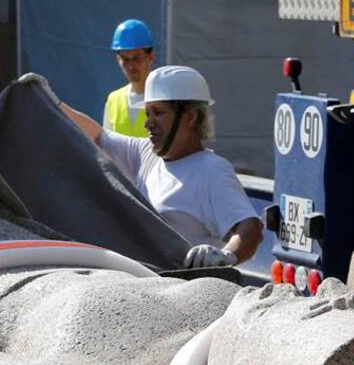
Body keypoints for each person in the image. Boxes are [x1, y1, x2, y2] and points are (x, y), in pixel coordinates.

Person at [24, 66, 262, 269]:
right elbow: (96, 136)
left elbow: (249, 227)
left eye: (158, 113)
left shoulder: (212, 171)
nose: (148, 122)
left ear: (189, 118)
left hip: (183, 297)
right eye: (148, 113)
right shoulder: (145, 154)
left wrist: (225, 256)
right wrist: (51, 101)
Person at [103, 19, 155, 137]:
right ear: (118, 60)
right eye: (125, 59)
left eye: (137, 58)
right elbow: (106, 147)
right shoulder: (113, 100)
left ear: (151, 57)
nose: (131, 66)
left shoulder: (165, 100)